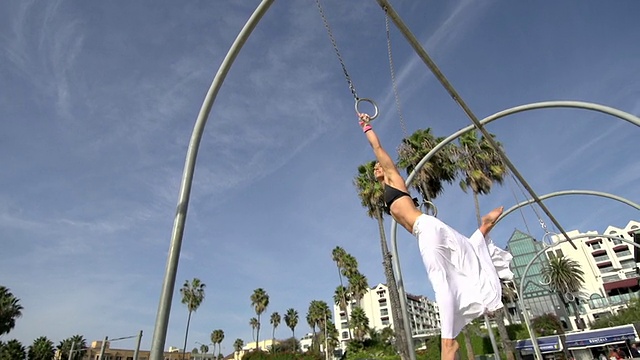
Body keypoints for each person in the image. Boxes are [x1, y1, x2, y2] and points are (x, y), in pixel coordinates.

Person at [358, 113, 513, 360]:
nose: (377, 166)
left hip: (426, 229)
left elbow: (376, 146)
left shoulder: (395, 178)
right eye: (376, 167)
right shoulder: (387, 189)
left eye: (379, 165)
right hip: (428, 230)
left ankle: (448, 343)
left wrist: (365, 124)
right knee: (456, 267)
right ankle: (482, 230)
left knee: (441, 282)